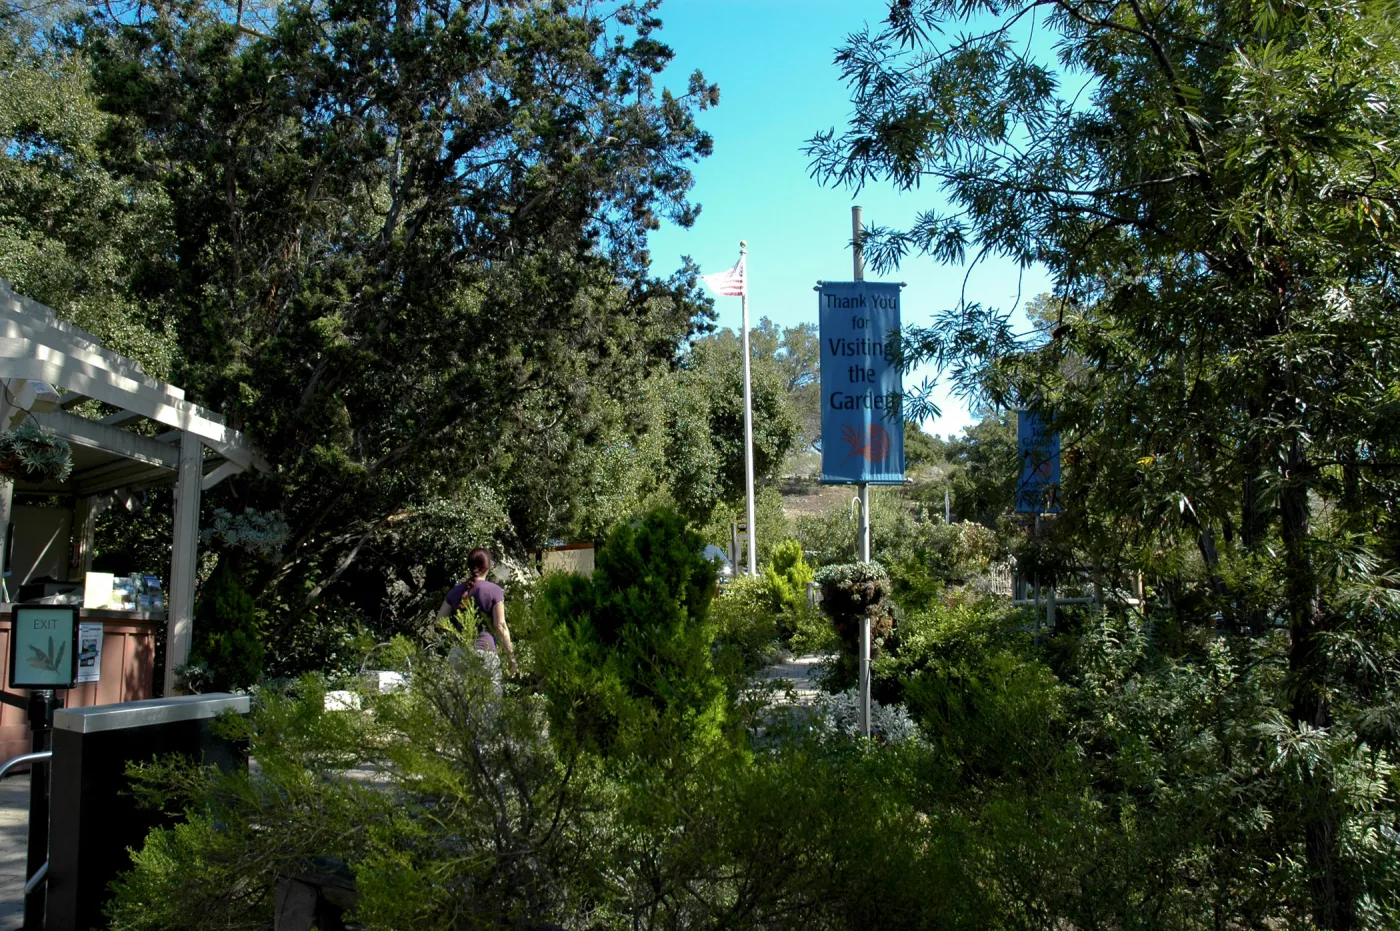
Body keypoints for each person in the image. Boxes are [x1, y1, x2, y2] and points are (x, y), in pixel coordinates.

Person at [437, 548, 518, 677]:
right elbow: (500, 626)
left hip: (459, 653)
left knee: (460, 697)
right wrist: (511, 658)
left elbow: (439, 622)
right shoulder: (494, 591)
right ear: (489, 566)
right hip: (485, 653)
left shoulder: (455, 591)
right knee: (490, 696)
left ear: (468, 566)